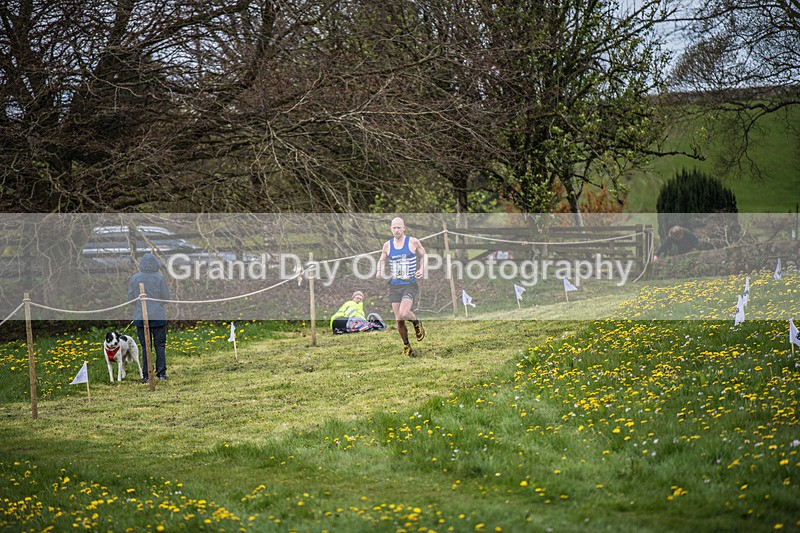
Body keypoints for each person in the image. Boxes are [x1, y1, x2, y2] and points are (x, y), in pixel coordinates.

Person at [376, 217, 427, 357]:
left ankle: (416, 322)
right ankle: (407, 346)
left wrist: (422, 269)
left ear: (404, 228)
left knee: (404, 313)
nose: (396, 230)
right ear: (391, 229)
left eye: (399, 227)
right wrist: (379, 270)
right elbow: (381, 260)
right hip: (394, 285)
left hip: (409, 284)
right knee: (399, 320)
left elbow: (424, 255)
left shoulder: (413, 242)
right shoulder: (387, 245)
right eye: (394, 228)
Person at [127, 253, 171, 382]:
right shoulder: (160, 278)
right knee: (160, 345)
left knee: (146, 346)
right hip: (158, 316)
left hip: (141, 317)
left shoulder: (135, 278)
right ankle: (161, 374)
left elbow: (130, 299)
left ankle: (146, 375)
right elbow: (166, 298)